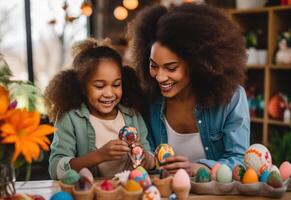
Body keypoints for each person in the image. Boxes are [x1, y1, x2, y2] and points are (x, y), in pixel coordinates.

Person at [129, 3, 250, 176]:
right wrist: (146, 159)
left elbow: (239, 159)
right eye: (153, 65)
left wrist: (197, 168)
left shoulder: (232, 98)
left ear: (197, 64)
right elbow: (148, 160)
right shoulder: (149, 100)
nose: (160, 77)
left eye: (171, 68)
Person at [46, 38, 155, 180]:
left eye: (116, 85)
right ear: (82, 87)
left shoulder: (132, 115)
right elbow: (55, 168)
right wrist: (99, 156)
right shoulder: (70, 118)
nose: (109, 93)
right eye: (99, 86)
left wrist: (147, 159)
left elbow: (148, 156)